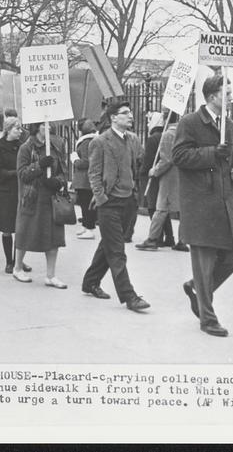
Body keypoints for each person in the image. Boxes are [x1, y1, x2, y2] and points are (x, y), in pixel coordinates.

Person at [172, 75, 233, 337]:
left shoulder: (231, 125)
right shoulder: (190, 122)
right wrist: (213, 152)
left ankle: (196, 289)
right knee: (204, 265)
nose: (230, 97)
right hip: (200, 204)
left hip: (225, 202)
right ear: (212, 96)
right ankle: (208, 319)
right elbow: (179, 156)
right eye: (226, 93)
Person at [80, 101, 150, 312]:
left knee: (109, 245)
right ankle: (129, 296)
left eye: (130, 113)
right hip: (109, 203)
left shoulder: (133, 140)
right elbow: (93, 173)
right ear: (113, 118)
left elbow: (137, 164)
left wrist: (135, 194)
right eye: (125, 113)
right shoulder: (100, 142)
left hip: (128, 201)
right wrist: (101, 198)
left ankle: (90, 282)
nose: (130, 116)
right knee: (117, 250)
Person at [13, 122, 68, 287]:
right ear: (37, 128)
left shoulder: (55, 146)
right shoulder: (26, 148)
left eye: (50, 125)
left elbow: (63, 172)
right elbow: (22, 174)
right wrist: (39, 165)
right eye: (45, 126)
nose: (49, 128)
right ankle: (17, 268)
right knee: (25, 232)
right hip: (32, 198)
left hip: (51, 198)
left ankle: (51, 275)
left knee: (54, 236)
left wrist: (57, 182)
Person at [136, 112, 187, 251]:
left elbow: (166, 160)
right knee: (182, 210)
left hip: (170, 177)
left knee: (161, 208)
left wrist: (154, 170)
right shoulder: (185, 133)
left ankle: (152, 239)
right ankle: (182, 240)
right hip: (183, 175)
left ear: (165, 119)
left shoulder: (168, 135)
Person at [0, 116, 23, 273]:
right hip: (5, 191)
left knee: (20, 226)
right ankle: (9, 261)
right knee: (7, 227)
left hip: (19, 190)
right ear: (8, 130)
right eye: (17, 128)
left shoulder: (21, 146)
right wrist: (15, 173)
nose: (20, 131)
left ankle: (18, 260)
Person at [140, 112, 174, 247]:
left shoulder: (154, 138)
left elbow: (149, 160)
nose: (148, 124)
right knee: (162, 208)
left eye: (149, 121)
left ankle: (156, 237)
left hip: (154, 175)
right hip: (164, 175)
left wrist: (144, 171)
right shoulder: (164, 135)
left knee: (154, 207)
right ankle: (169, 237)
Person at [71, 119, 98, 240]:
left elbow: (86, 162)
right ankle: (85, 225)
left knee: (86, 204)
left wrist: (75, 160)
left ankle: (89, 228)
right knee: (84, 203)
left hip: (85, 179)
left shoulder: (86, 142)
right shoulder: (92, 140)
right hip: (86, 179)